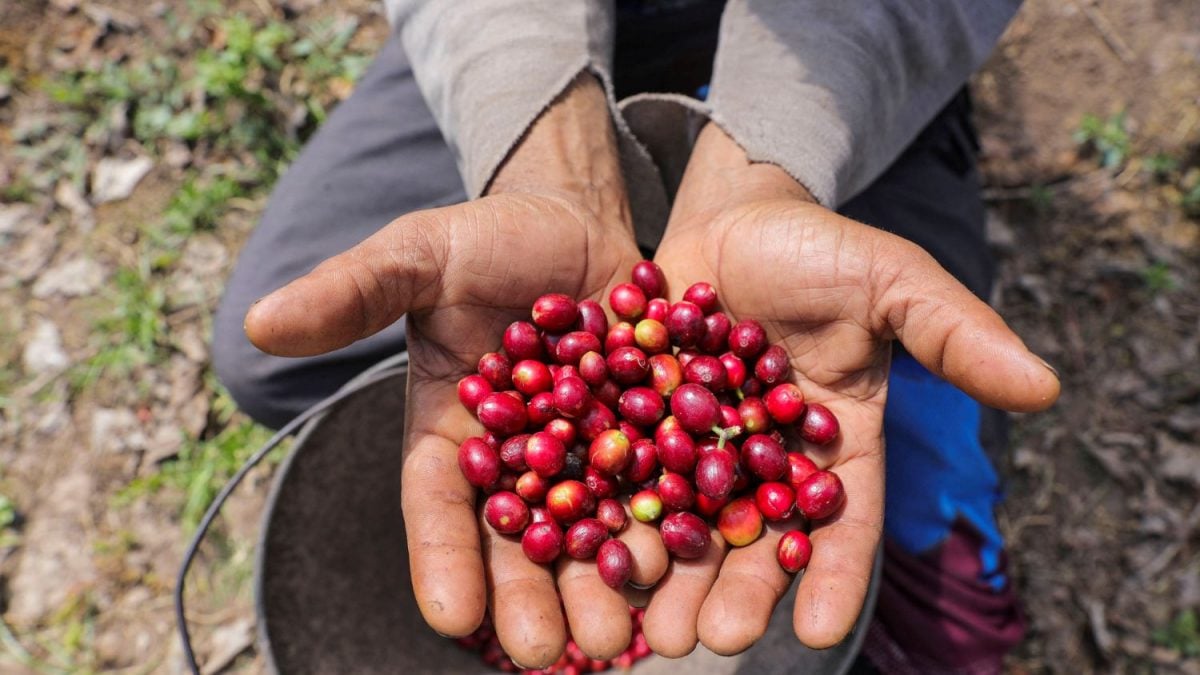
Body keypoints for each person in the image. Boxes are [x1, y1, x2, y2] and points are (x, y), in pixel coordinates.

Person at [212, 1, 1060, 672]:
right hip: (534, 28)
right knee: (270, 363)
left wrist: (773, 165)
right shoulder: (612, 419)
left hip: (856, 39)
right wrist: (545, 154)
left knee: (951, 621)